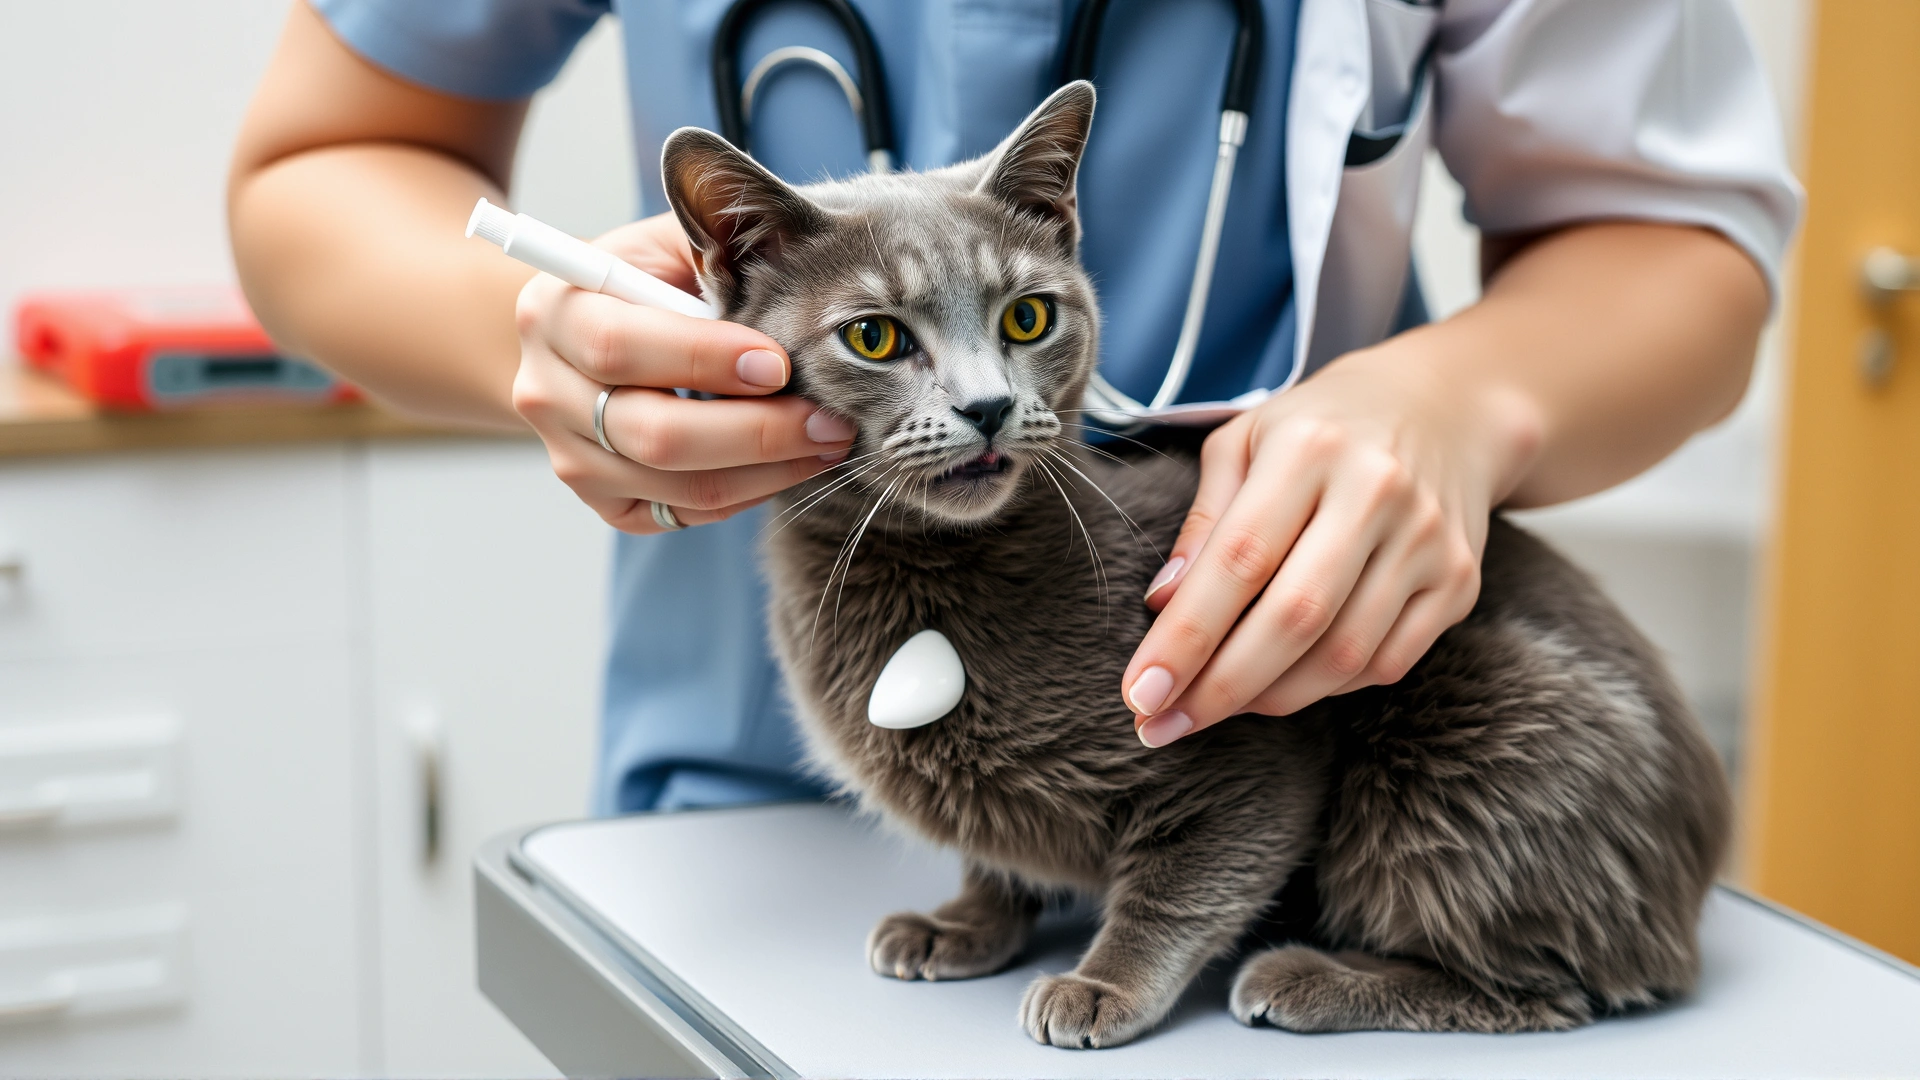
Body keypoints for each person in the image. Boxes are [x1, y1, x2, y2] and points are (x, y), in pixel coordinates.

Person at [229, 0, 1799, 812]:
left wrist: (1469, 396)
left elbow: (1679, 241)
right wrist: (546, 333)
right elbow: (318, 167)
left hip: (1311, 747)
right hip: (751, 772)